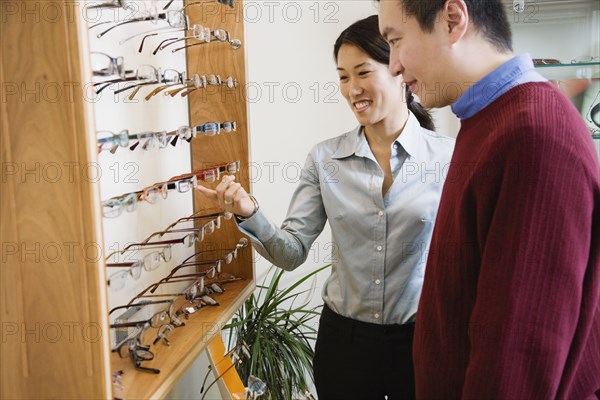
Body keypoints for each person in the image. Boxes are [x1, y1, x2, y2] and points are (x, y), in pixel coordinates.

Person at [197, 15, 455, 399]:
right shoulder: (324, 159)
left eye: (362, 72)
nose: (352, 90)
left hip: (420, 343)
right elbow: (290, 252)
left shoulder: (448, 158)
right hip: (344, 344)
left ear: (399, 70)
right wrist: (249, 212)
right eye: (343, 77)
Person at [377, 0, 600, 398]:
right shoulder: (490, 119)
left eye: (396, 40)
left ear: (452, 19)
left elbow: (519, 354)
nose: (393, 65)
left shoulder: (534, 137)